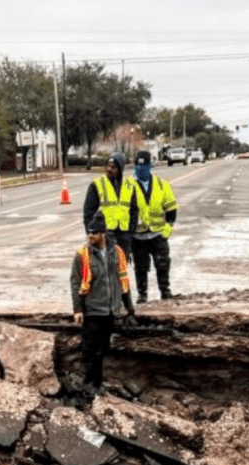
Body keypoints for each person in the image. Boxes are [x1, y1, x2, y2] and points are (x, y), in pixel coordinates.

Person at [70, 212, 136, 398]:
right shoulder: (82, 255)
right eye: (89, 232)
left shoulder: (117, 253)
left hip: (110, 311)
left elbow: (123, 280)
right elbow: (75, 283)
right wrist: (77, 310)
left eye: (95, 233)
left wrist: (129, 308)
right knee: (89, 350)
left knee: (102, 350)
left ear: (104, 234)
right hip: (92, 311)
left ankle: (97, 385)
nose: (90, 236)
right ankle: (88, 386)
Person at [129, 149, 179, 302]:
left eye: (144, 167)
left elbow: (171, 208)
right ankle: (142, 294)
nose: (141, 170)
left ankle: (165, 291)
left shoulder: (161, 185)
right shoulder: (128, 186)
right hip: (137, 236)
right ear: (135, 167)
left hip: (157, 234)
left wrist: (168, 227)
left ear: (151, 167)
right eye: (138, 167)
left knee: (162, 263)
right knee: (140, 267)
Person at [82, 152, 139, 256]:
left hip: (124, 235)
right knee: (104, 267)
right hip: (104, 235)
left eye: (113, 167)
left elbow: (134, 210)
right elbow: (88, 212)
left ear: (120, 169)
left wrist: (131, 232)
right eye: (107, 166)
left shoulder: (130, 185)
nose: (109, 169)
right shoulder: (97, 184)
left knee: (121, 267)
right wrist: (90, 233)